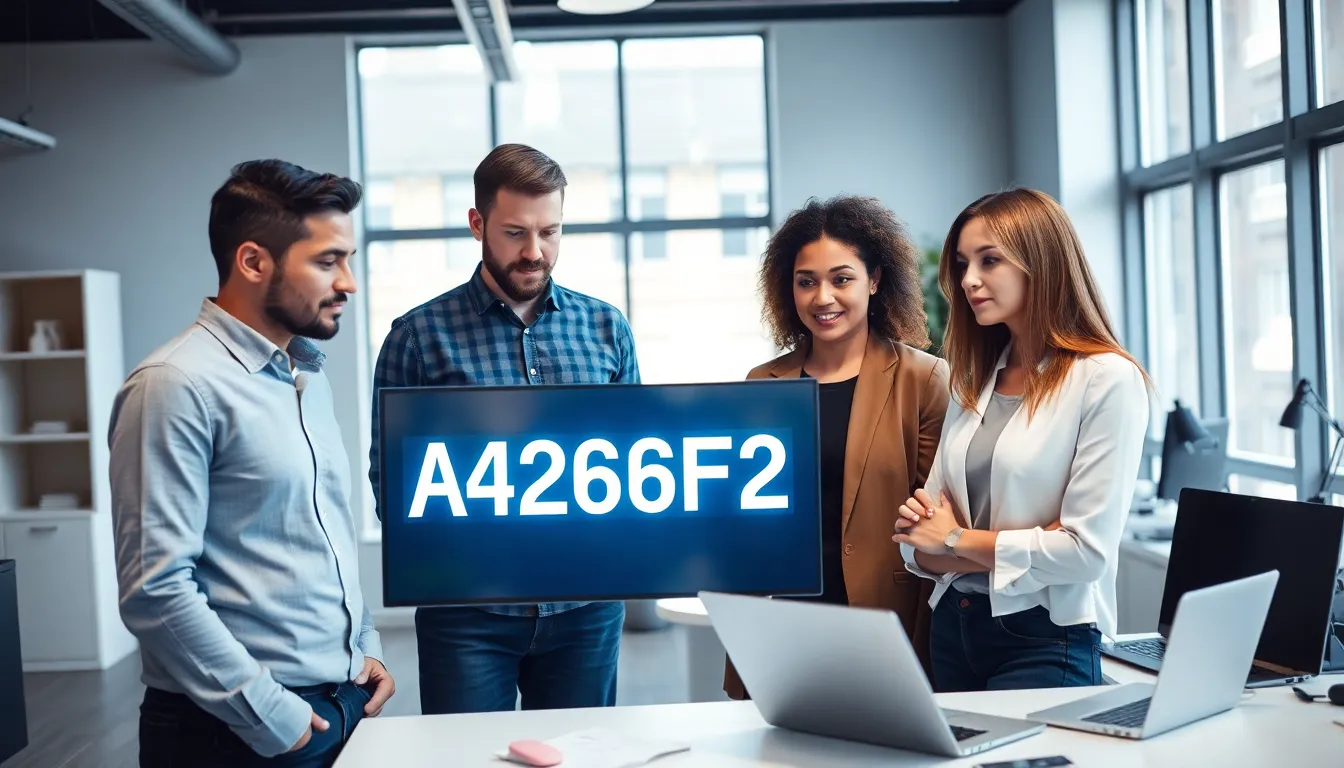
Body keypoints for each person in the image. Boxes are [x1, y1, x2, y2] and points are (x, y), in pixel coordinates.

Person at [109, 160, 394, 767]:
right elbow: (156, 589)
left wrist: (363, 650)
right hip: (235, 732)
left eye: (348, 260)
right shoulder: (173, 385)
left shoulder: (305, 375)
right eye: (327, 261)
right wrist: (273, 716)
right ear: (253, 261)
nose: (349, 282)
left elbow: (322, 534)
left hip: (339, 708)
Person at [369, 143, 640, 715]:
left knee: (580, 757)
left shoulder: (606, 329)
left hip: (585, 610)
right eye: (516, 232)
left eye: (550, 232)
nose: (535, 252)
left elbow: (633, 461)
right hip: (467, 615)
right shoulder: (418, 337)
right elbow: (390, 487)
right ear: (477, 224)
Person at [893, 187, 1150, 692]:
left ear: (1042, 263)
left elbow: (1085, 554)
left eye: (990, 260)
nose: (969, 280)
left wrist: (955, 538)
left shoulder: (1106, 378)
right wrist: (1024, 544)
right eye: (964, 263)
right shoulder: (973, 381)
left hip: (1044, 636)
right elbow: (914, 546)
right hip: (954, 628)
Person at [722, 195, 950, 700]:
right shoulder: (762, 383)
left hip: (882, 616)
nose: (822, 297)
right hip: (783, 616)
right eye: (806, 281)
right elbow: (745, 513)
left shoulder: (923, 379)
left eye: (841, 279)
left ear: (874, 280)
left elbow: (934, 515)